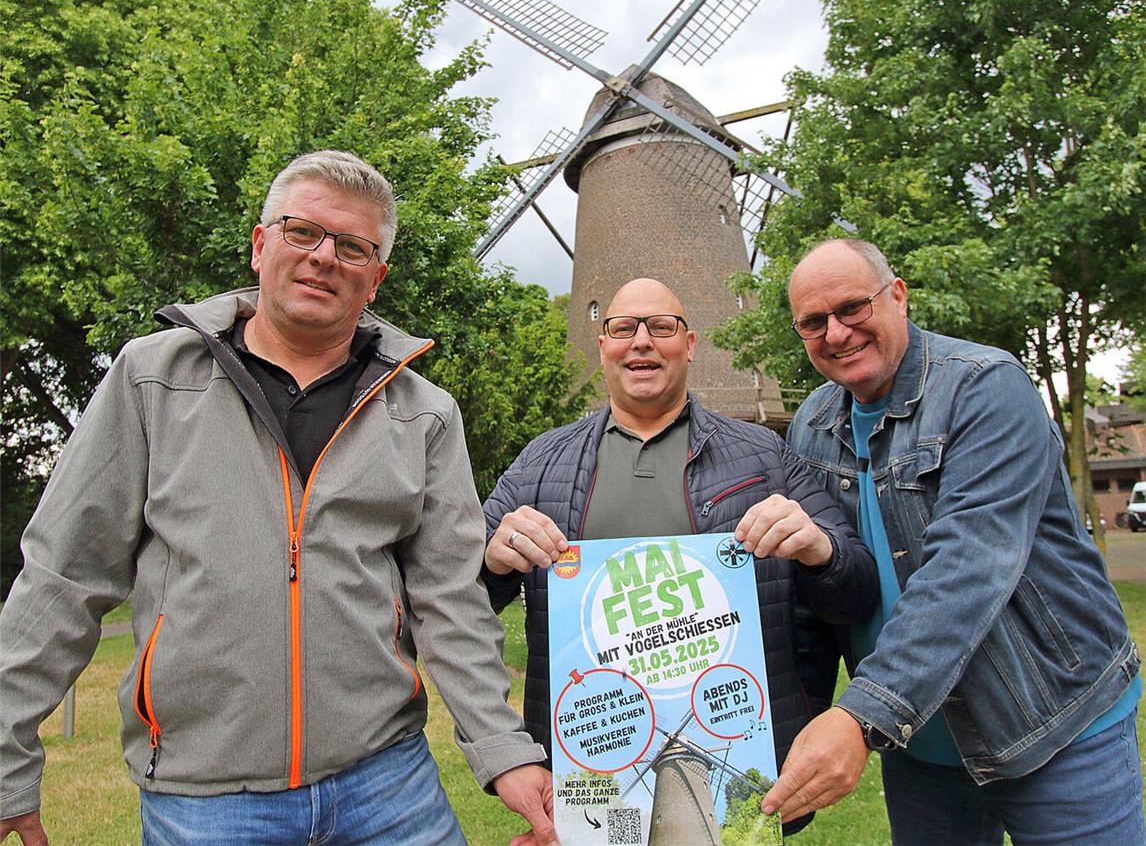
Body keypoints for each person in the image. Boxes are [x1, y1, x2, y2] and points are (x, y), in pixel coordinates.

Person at [0, 150, 555, 846]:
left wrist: (503, 748)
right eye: (303, 232)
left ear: (375, 278)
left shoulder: (425, 414)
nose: (325, 257)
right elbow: (63, 574)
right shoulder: (151, 380)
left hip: (388, 783)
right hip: (206, 799)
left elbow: (450, 598)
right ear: (261, 245)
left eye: (353, 246)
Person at [763, 238, 1144, 844]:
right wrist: (776, 726)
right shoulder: (812, 424)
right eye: (814, 322)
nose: (836, 333)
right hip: (919, 745)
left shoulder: (985, 388)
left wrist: (860, 717)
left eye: (853, 308)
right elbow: (820, 590)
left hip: (1053, 719)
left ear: (898, 297)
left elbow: (970, 565)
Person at [481, 277, 879, 838]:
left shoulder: (765, 455)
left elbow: (857, 591)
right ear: (603, 347)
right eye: (623, 329)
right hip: (596, 754)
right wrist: (493, 562)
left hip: (732, 751)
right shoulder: (541, 463)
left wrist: (821, 549)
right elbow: (459, 597)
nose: (641, 342)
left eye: (661, 327)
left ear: (689, 344)